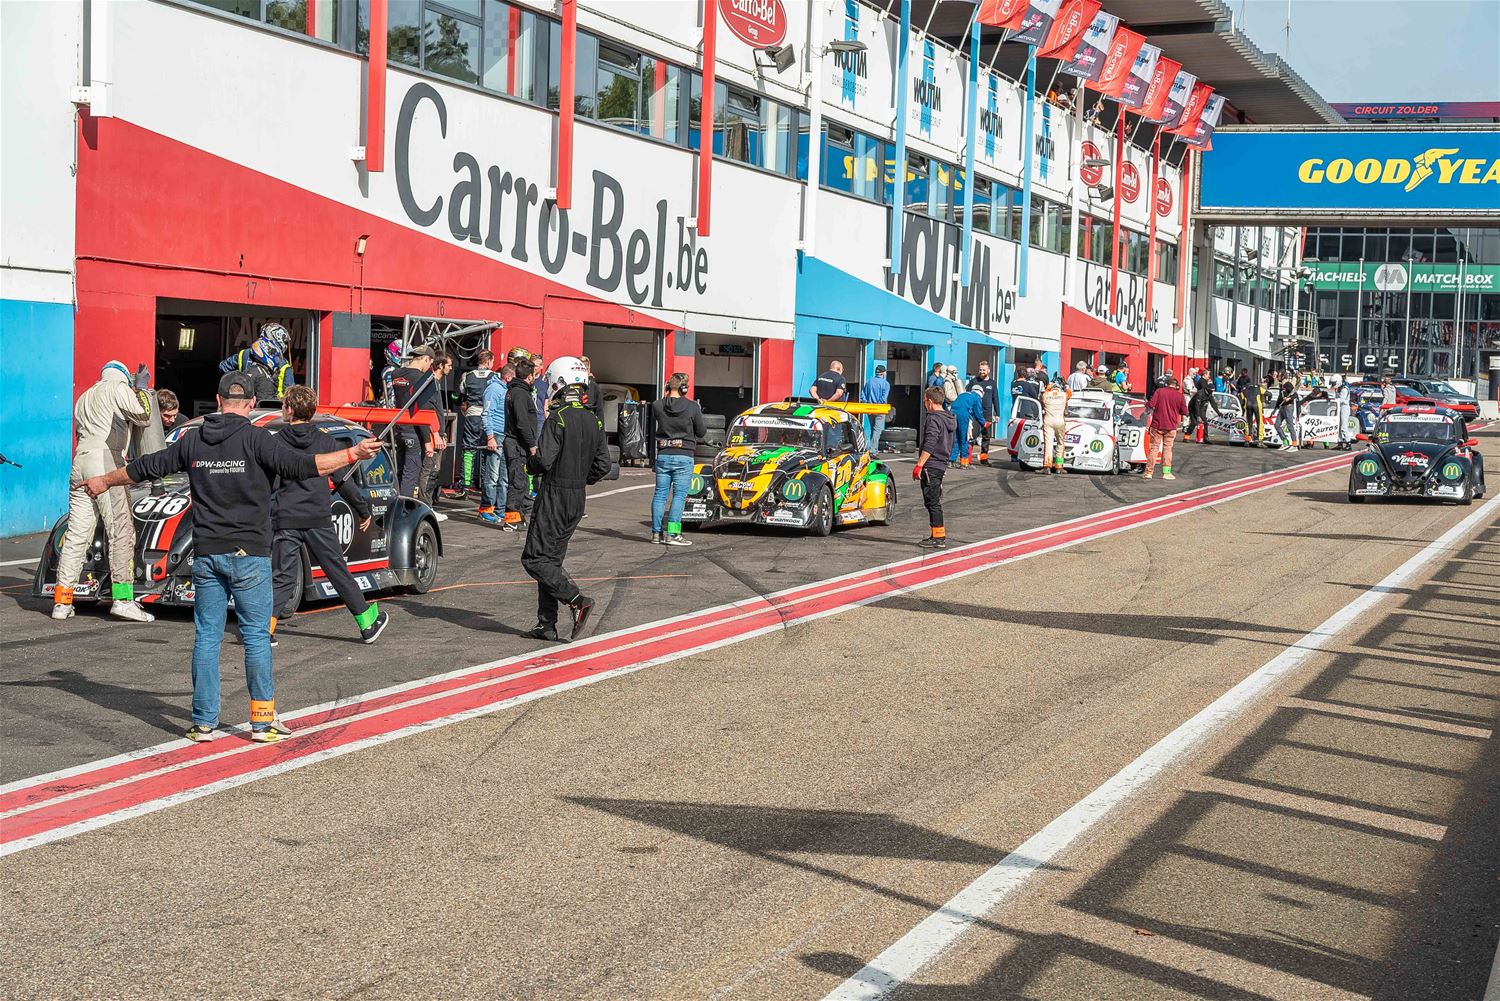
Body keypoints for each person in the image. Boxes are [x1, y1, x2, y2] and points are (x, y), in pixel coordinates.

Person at [83, 371, 383, 742]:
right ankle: (262, 722)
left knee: (207, 638)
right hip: (250, 554)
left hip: (207, 553)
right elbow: (306, 466)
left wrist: (103, 481)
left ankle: (203, 723)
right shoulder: (259, 440)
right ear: (252, 403)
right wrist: (354, 453)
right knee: (256, 638)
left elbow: (146, 467)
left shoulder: (193, 440)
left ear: (218, 400)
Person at [269, 386, 389, 646]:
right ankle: (367, 624)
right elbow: (344, 482)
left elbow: (270, 484)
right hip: (317, 517)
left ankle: (265, 631)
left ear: (289, 410)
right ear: (312, 411)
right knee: (337, 572)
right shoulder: (326, 441)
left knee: (282, 576)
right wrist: (363, 510)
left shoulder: (275, 442)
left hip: (286, 517)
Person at [51, 361, 157, 623]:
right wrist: (142, 390)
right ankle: (123, 599)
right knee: (121, 530)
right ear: (124, 377)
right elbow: (143, 416)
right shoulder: (118, 388)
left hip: (80, 463)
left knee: (77, 534)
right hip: (106, 461)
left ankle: (62, 601)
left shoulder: (84, 397)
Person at [521, 357, 612, 642]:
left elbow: (544, 460)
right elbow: (604, 465)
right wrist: (582, 477)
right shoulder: (594, 419)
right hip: (577, 496)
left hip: (555, 494)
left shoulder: (558, 417)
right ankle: (546, 624)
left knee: (534, 559)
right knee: (551, 561)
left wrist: (529, 465)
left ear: (558, 383)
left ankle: (576, 600)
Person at [650, 372, 706, 546]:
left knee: (660, 494)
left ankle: (656, 533)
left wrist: (666, 395)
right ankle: (673, 534)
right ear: (684, 388)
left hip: (663, 455)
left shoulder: (657, 405)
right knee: (679, 496)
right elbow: (701, 432)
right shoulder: (692, 407)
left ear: (668, 386)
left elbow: (662, 410)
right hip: (684, 455)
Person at [389, 345, 437, 498]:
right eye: (430, 363)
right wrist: (427, 440)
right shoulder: (423, 379)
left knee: (400, 471)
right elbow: (422, 410)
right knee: (410, 475)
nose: (429, 368)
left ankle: (395, 503)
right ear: (426, 359)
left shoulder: (396, 374)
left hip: (399, 429)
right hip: (414, 432)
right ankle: (404, 507)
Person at [913, 387, 956, 549]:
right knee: (934, 499)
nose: (925, 404)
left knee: (932, 501)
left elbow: (930, 443)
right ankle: (936, 535)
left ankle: (938, 537)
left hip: (931, 465)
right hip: (941, 463)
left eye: (925, 401)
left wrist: (919, 465)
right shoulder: (949, 418)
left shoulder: (933, 419)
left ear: (930, 402)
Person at [503, 356, 540, 531]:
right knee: (517, 481)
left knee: (523, 481)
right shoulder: (519, 393)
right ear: (529, 376)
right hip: (517, 443)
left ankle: (520, 516)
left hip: (519, 443)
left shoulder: (518, 391)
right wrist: (532, 444)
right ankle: (511, 519)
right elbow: (522, 422)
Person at [459, 350, 499, 504]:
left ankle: (466, 486)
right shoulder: (495, 376)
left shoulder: (467, 376)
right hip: (489, 416)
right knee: (487, 451)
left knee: (469, 450)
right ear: (488, 362)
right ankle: (484, 486)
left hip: (472, 415)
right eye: (492, 361)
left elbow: (461, 392)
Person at [415, 353, 453, 513]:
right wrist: (435, 434)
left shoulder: (436, 383)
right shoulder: (430, 382)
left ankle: (428, 505)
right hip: (431, 433)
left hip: (437, 433)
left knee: (434, 471)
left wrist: (442, 434)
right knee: (428, 470)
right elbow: (426, 411)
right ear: (440, 365)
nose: (451, 368)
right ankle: (425, 507)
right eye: (449, 365)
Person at [220, 322, 294, 402]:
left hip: (244, 402)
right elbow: (290, 395)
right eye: (285, 342)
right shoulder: (284, 365)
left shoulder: (244, 354)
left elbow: (223, 367)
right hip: (271, 406)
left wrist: (237, 383)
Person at [478, 363, 512, 525]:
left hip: (505, 436)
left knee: (503, 477)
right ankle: (486, 509)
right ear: (508, 377)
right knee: (492, 475)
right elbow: (487, 413)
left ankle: (500, 509)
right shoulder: (493, 389)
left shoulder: (506, 390)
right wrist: (490, 437)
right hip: (496, 435)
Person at [1142, 373, 1187, 480]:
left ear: (1166, 384)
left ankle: (1148, 472)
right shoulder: (1180, 396)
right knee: (1168, 449)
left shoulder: (1159, 392)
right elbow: (1184, 411)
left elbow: (1151, 405)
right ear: (1176, 386)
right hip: (1171, 426)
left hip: (1157, 425)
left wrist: (1146, 404)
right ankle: (1166, 473)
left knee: (1154, 448)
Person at [965, 361, 1000, 463]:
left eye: (984, 370)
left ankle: (984, 459)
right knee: (972, 435)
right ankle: (967, 459)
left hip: (987, 413)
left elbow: (995, 399)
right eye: (980, 370)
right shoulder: (973, 382)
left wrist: (997, 413)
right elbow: (967, 395)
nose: (981, 372)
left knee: (986, 436)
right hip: (975, 413)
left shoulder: (992, 383)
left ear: (988, 370)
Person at [949, 387, 983, 468]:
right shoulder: (977, 397)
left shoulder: (962, 394)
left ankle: (951, 461)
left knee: (955, 438)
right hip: (963, 415)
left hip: (952, 414)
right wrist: (983, 423)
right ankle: (964, 463)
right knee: (964, 438)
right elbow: (978, 413)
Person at [860, 364, 891, 452]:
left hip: (869, 408)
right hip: (879, 409)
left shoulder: (869, 381)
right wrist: (877, 406)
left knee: (872, 429)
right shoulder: (886, 384)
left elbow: (863, 395)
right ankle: (873, 450)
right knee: (877, 430)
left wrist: (867, 404)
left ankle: (870, 448)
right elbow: (883, 398)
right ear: (883, 373)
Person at [1040, 377, 1068, 475]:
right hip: (1060, 421)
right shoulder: (1064, 395)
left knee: (1048, 444)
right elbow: (1069, 392)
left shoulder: (1046, 395)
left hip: (1048, 421)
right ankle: (1059, 467)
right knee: (1060, 443)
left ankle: (1047, 466)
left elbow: (1044, 392)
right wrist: (1066, 384)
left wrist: (1049, 384)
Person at [1185, 375, 1224, 444]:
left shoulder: (1209, 394)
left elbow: (1213, 404)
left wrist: (1218, 412)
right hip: (1193, 407)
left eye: (1213, 391)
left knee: (1205, 422)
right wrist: (1198, 416)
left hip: (1202, 407)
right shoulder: (1200, 393)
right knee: (1194, 422)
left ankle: (1206, 438)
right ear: (1208, 389)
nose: (1212, 392)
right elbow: (1196, 405)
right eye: (1211, 391)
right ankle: (1186, 437)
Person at [1275, 374, 1300, 451]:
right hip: (1282, 407)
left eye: (1279, 376)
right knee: (1277, 425)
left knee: (1290, 426)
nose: (1277, 377)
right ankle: (1285, 442)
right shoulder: (1281, 386)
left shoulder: (1288, 384)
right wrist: (1275, 408)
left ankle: (1294, 445)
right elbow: (1280, 397)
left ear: (1282, 376)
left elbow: (1295, 395)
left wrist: (1289, 398)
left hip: (1288, 407)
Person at [378, 341, 403, 407]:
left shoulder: (398, 369)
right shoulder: (390, 370)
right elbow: (390, 393)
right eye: (400, 354)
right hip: (390, 406)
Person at [580, 355, 603, 423]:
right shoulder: (569, 386)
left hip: (589, 423)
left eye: (586, 369)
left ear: (588, 370)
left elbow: (599, 411)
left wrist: (600, 428)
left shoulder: (594, 387)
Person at [1332, 377, 1352, 451]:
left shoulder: (1344, 389)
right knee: (1338, 426)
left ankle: (1348, 443)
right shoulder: (1339, 388)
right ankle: (1340, 442)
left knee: (1344, 427)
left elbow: (1341, 400)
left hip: (1344, 407)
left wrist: (1332, 400)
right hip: (1340, 407)